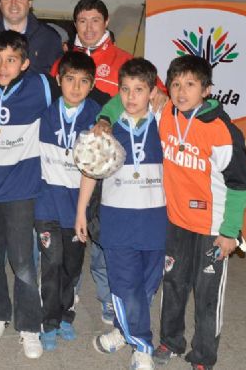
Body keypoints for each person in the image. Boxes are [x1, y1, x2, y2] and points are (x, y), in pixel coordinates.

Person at [51, 0, 169, 325]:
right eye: (82, 21)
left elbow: (152, 97)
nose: (88, 28)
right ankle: (68, 292)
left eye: (95, 21)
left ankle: (108, 300)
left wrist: (107, 115)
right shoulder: (61, 62)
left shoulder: (125, 61)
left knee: (105, 241)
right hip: (68, 165)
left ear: (105, 24)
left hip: (114, 170)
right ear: (75, 25)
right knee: (70, 236)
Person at [152, 56, 246, 369]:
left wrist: (230, 231)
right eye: (176, 84)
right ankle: (170, 341)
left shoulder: (222, 131)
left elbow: (239, 185)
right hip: (175, 222)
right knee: (173, 285)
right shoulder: (166, 112)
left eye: (191, 85)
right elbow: (123, 99)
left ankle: (204, 356)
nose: (181, 92)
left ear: (206, 90)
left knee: (207, 295)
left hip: (212, 229)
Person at [75, 58, 167, 370]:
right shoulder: (107, 130)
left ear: (152, 92)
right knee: (124, 284)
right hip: (117, 221)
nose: (130, 97)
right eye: (125, 89)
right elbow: (90, 172)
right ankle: (142, 345)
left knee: (145, 286)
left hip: (155, 222)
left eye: (139, 90)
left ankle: (120, 330)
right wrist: (80, 213)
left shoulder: (165, 124)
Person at [0, 30, 49, 359]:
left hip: (21, 189)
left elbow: (84, 91)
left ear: (25, 63)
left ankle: (29, 326)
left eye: (11, 60)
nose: (3, 66)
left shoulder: (40, 86)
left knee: (23, 262)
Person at [35, 51, 102, 350]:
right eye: (70, 79)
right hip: (47, 203)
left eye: (83, 81)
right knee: (51, 264)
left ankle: (65, 315)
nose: (75, 87)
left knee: (71, 267)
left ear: (92, 84)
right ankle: (48, 322)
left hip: (79, 208)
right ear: (59, 80)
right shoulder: (44, 114)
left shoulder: (98, 118)